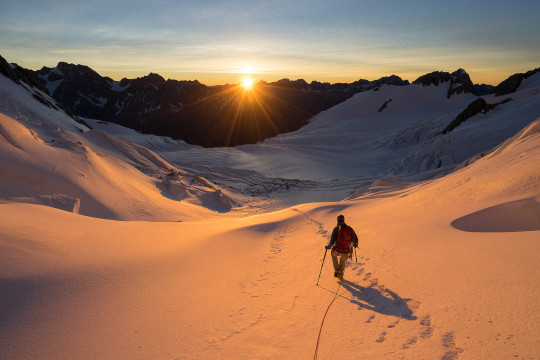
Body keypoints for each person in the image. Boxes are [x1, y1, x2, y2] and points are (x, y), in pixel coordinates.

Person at [325, 214, 358, 280]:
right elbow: (356, 239)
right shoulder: (349, 228)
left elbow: (332, 241)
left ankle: (337, 270)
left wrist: (328, 247)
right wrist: (355, 245)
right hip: (347, 250)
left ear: (337, 220)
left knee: (333, 255)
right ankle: (341, 274)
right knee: (342, 261)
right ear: (344, 220)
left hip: (338, 250)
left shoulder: (336, 229)